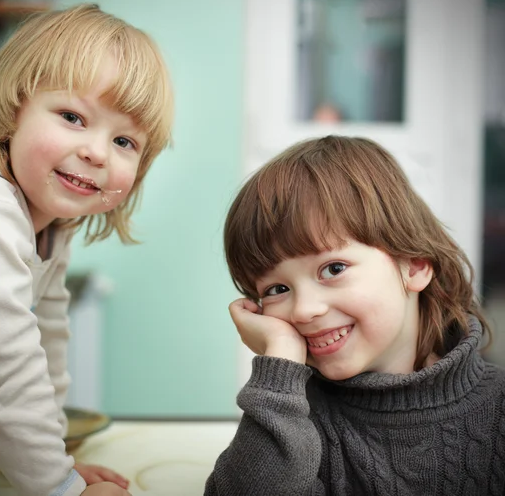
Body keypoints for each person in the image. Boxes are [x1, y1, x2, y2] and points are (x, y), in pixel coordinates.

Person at [0, 3, 173, 496]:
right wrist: (61, 488)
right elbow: (5, 373)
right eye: (72, 117)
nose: (97, 152)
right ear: (15, 108)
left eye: (124, 141)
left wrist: (58, 464)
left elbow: (45, 339)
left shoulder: (53, 221)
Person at [205, 136, 505, 495]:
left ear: (414, 265)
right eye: (277, 289)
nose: (303, 310)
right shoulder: (292, 421)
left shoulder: (498, 409)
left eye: (333, 269)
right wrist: (280, 358)